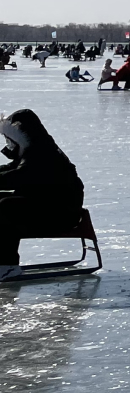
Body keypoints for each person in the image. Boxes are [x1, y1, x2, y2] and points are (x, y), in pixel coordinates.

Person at [0, 110, 85, 281]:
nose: (8, 143)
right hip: (46, 207)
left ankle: (8, 266)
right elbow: (12, 169)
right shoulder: (34, 148)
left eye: (9, 138)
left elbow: (17, 177)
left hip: (60, 215)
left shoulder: (41, 153)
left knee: (5, 207)